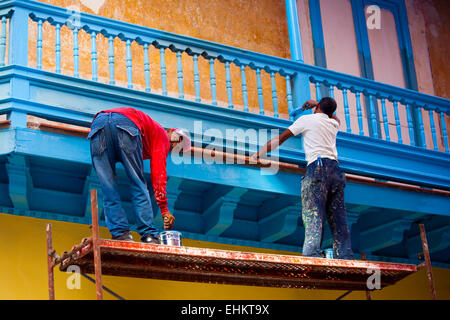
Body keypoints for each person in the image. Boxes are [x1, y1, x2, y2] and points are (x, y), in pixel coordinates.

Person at [251, 97, 353, 259]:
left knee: (314, 211)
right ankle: (345, 254)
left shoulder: (307, 119)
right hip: (336, 170)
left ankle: (312, 253)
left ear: (318, 106)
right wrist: (320, 106)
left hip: (318, 167)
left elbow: (281, 138)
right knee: (338, 215)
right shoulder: (333, 124)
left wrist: (257, 154)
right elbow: (336, 118)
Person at [87, 107, 191, 243]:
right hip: (126, 123)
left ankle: (121, 234)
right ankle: (148, 234)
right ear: (170, 131)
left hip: (98, 125)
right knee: (138, 183)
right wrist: (164, 209)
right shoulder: (162, 136)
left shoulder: (152, 138)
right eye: (178, 138)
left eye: (179, 146)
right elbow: (158, 174)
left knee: (108, 187)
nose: (175, 144)